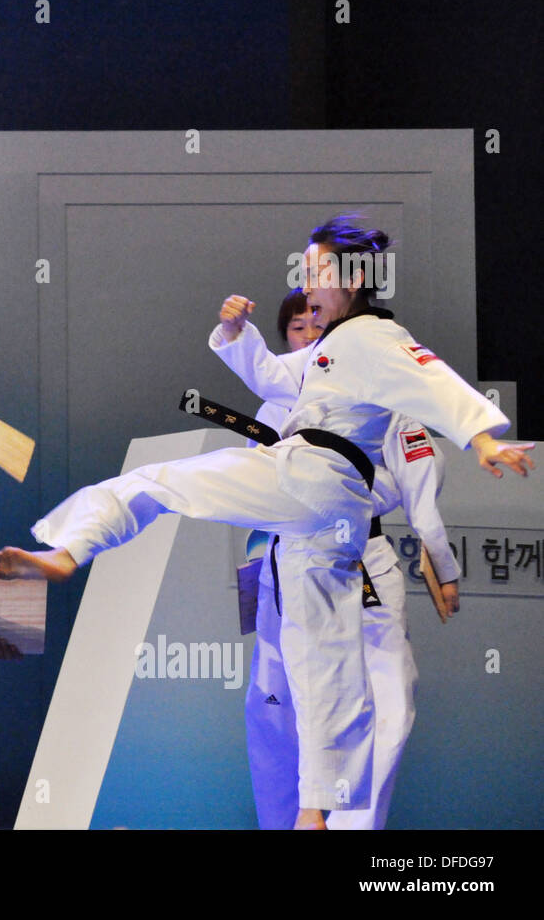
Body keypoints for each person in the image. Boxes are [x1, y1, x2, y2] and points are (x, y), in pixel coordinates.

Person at [0, 217, 532, 829]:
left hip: (310, 474)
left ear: (355, 279)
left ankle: (69, 551)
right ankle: (313, 812)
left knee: (164, 482)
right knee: (320, 656)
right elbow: (275, 375)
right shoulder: (333, 349)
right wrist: (234, 332)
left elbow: (433, 378)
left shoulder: (376, 336)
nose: (307, 286)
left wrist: (482, 438)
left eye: (319, 272)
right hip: (334, 521)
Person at [212, 286, 457, 829]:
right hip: (282, 563)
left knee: (387, 699)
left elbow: (418, 468)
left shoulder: (379, 385)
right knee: (277, 708)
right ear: (289, 342)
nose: (312, 334)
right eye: (300, 327)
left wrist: (437, 551)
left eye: (320, 322)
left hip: (357, 556)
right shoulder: (277, 405)